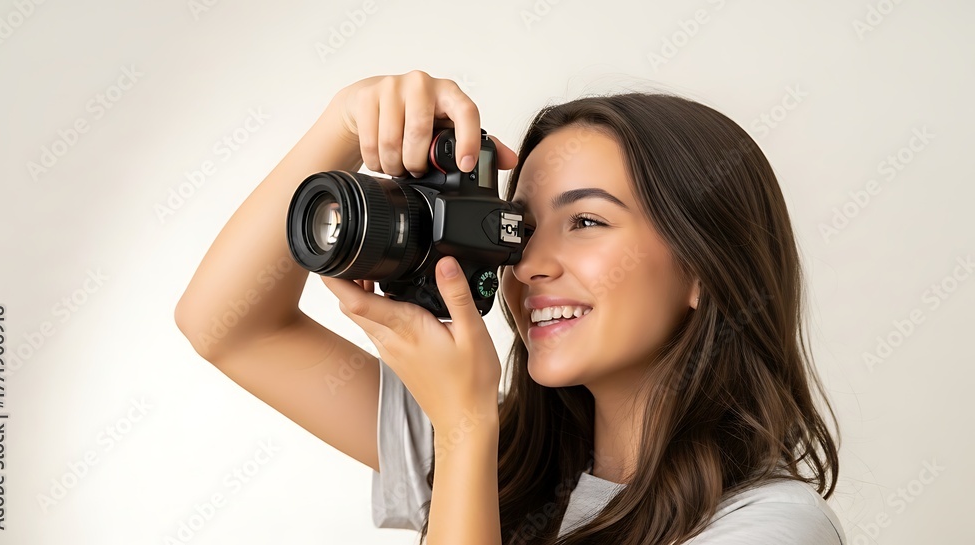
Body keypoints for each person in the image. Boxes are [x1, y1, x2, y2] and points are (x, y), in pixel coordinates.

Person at [175, 70, 846, 545]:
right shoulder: (505, 457)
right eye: (519, 227)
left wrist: (464, 433)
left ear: (701, 265)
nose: (527, 266)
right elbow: (226, 324)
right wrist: (346, 119)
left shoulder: (771, 525)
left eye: (585, 222)